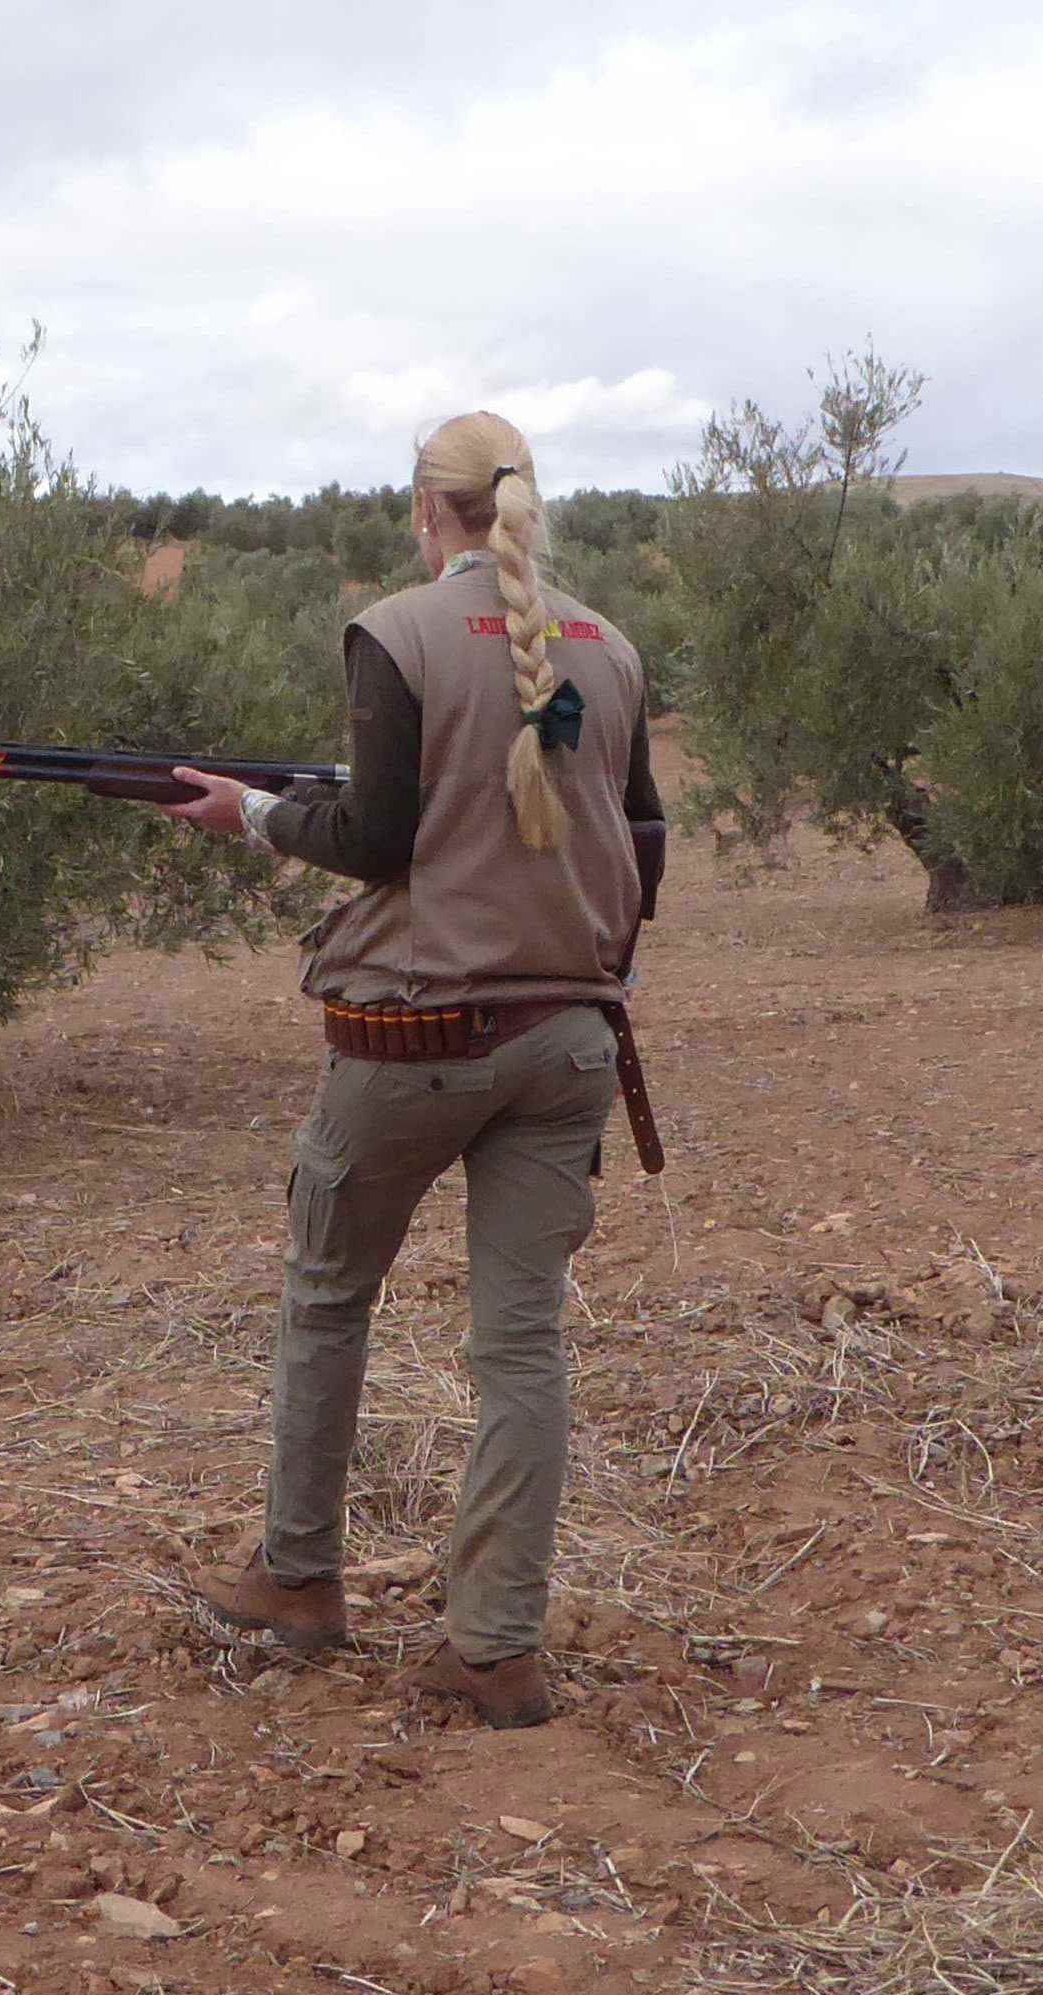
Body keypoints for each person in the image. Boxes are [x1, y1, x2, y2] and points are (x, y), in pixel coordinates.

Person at [153, 410, 660, 1730]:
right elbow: (639, 837)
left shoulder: (397, 634)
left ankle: (300, 1578)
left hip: (414, 1042)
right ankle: (497, 1648)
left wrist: (253, 813)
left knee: (328, 1296)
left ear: (426, 511)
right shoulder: (608, 649)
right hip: (569, 1041)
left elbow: (375, 839)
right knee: (521, 1346)